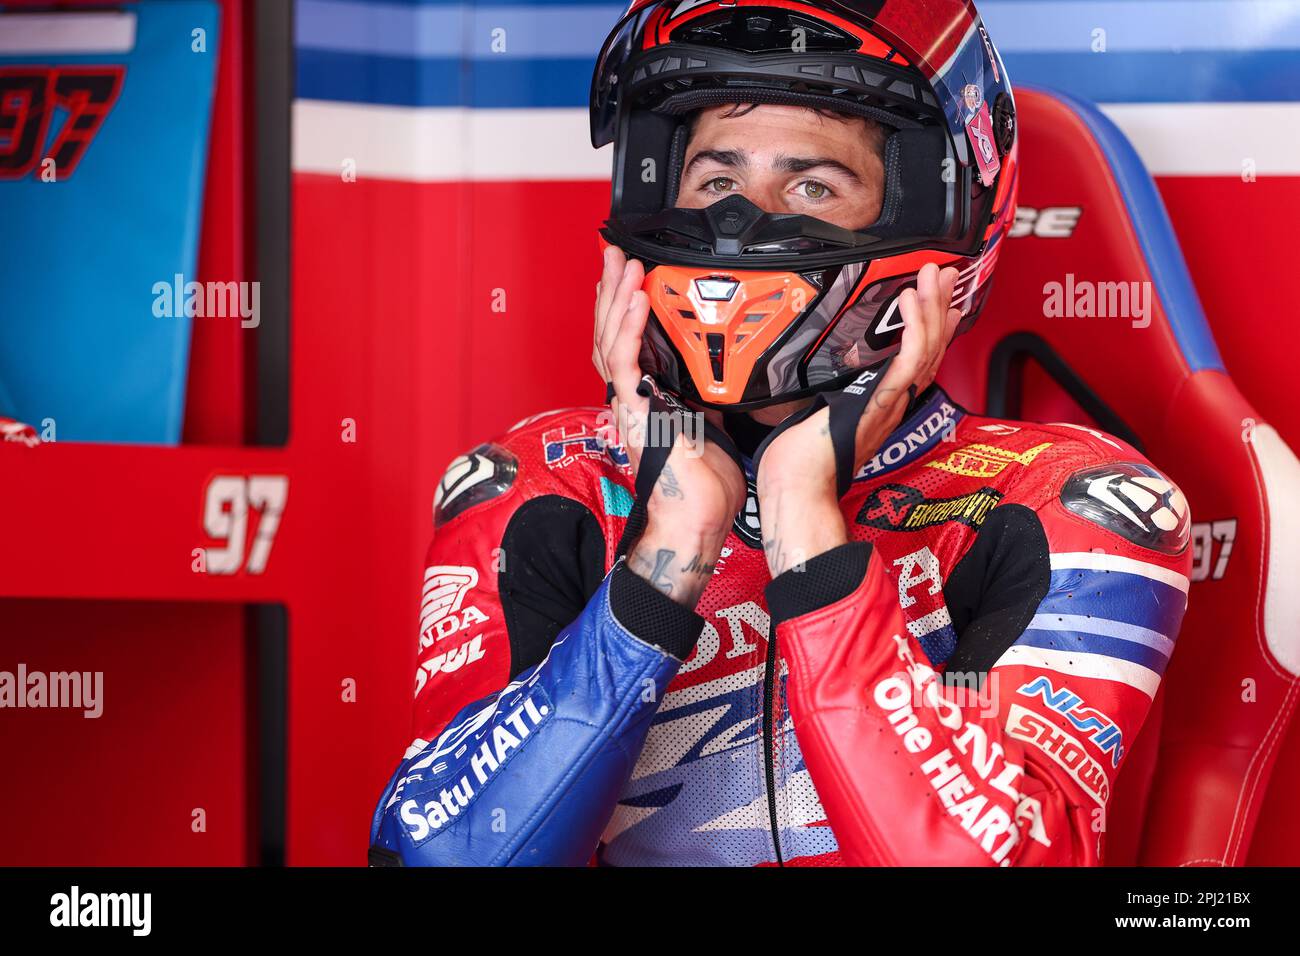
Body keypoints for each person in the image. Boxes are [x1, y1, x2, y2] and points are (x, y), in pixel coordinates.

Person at [369, 0, 1192, 866]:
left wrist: (806, 520)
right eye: (716, 181)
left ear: (943, 220)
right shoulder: (544, 483)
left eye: (811, 187)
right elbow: (444, 853)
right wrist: (672, 544)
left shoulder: (1070, 503)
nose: (740, 225)